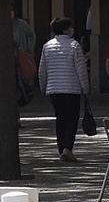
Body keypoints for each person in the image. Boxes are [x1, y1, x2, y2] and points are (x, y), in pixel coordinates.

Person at [38, 18, 91, 162]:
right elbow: (81, 69)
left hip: (54, 89)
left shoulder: (47, 46)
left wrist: (43, 87)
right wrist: (85, 88)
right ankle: (68, 148)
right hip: (71, 88)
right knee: (72, 119)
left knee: (60, 119)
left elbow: (42, 70)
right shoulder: (74, 46)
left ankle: (61, 149)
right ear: (66, 29)